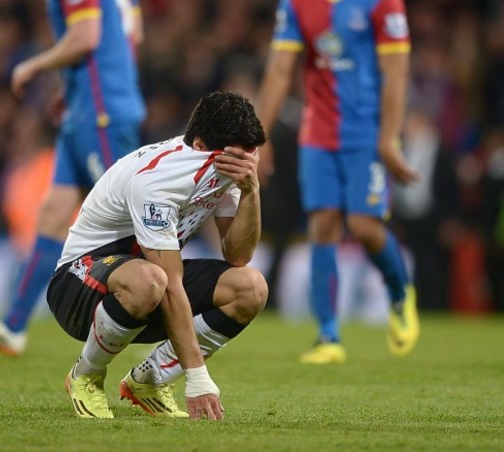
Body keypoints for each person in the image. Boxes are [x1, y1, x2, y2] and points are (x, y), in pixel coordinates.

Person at [46, 91, 267, 420]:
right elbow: (169, 282)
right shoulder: (159, 180)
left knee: (250, 288)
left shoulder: (226, 169)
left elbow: (237, 255)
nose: (242, 166)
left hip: (148, 280)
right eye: (237, 158)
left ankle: (150, 380)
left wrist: (251, 191)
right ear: (201, 146)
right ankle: (85, 375)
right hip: (77, 286)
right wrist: (198, 378)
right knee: (151, 280)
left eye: (250, 157)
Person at [0, 0, 146, 354]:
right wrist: (73, 89)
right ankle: (14, 324)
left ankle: (176, 319)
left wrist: (34, 65)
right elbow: (131, 36)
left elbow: (86, 37)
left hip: (101, 115)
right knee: (53, 216)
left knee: (134, 219)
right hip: (86, 111)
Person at [257, 0, 420, 363]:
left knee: (363, 226)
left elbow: (397, 73)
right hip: (318, 134)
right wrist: (261, 135)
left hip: (368, 132)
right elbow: (281, 70)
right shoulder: (297, 5)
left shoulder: (383, 4)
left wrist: (389, 138)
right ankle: (328, 335)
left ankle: (399, 292)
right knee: (323, 223)